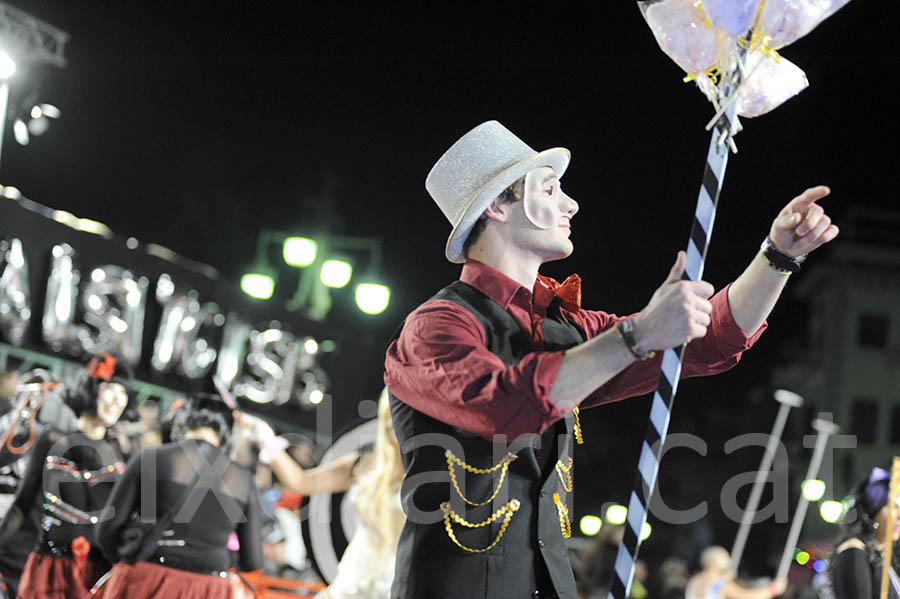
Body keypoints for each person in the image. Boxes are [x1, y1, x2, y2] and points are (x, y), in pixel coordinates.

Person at [383, 120, 839, 599]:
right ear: (496, 206)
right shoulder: (435, 325)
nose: (572, 203)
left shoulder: (569, 328)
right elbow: (503, 406)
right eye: (551, 188)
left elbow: (708, 340)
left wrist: (779, 256)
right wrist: (637, 334)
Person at [96, 393, 263, 599]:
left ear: (181, 421)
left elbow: (106, 531)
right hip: (209, 588)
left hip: (146, 577)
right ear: (227, 432)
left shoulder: (150, 458)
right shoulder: (244, 480)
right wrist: (211, 554)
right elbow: (252, 560)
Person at [246, 388, 405, 598]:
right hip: (351, 582)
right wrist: (264, 436)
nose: (391, 423)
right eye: (388, 414)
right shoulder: (365, 463)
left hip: (393, 585)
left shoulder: (433, 476)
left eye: (400, 414)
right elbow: (300, 481)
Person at [0, 353, 131, 599]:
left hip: (90, 576)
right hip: (40, 565)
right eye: (111, 390)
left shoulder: (122, 458)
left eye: (124, 394)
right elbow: (23, 503)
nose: (118, 401)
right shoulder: (51, 440)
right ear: (91, 388)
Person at [830, 466, 900, 599]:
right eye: (894, 508)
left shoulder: (881, 555)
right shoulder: (854, 551)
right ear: (874, 512)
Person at [685, 546, 786, 599]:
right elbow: (748, 597)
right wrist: (773, 589)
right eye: (724, 557)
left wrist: (724, 578)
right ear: (714, 562)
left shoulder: (694, 580)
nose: (728, 560)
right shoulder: (721, 585)